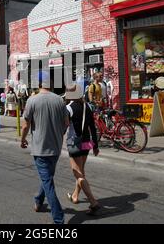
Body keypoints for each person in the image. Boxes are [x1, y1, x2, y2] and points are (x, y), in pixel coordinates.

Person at [21, 70, 69, 224]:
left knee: (48, 182)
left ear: (39, 83)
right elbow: (66, 124)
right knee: (47, 178)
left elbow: (25, 125)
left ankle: (58, 219)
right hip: (55, 148)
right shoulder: (60, 100)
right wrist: (58, 135)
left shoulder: (32, 100)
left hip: (40, 149)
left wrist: (22, 139)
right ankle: (38, 200)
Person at [65, 83, 101, 215]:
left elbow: (64, 127)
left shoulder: (68, 108)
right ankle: (75, 196)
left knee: (77, 173)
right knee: (81, 171)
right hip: (87, 143)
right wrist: (96, 146)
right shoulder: (88, 106)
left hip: (75, 143)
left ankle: (93, 202)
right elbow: (93, 127)